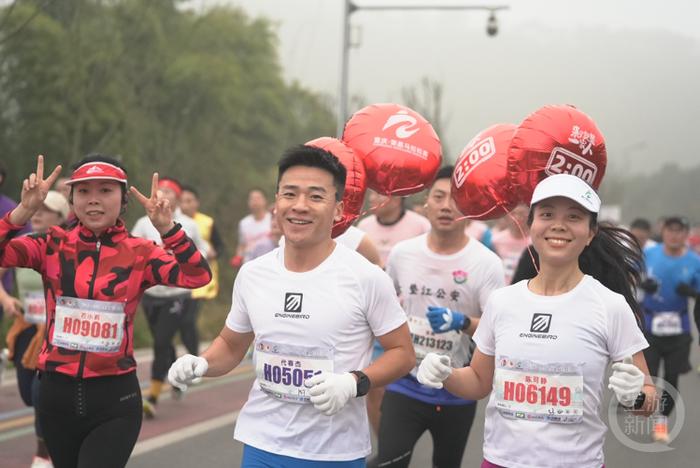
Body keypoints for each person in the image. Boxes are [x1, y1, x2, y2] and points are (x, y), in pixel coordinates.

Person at [168, 145, 414, 467]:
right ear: (276, 203)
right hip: (261, 444)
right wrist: (201, 363)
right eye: (290, 194)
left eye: (315, 196)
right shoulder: (254, 274)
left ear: (338, 209)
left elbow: (403, 353)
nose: (300, 206)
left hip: (333, 452)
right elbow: (231, 344)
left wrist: (354, 382)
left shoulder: (365, 277)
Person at [417, 174, 656, 468]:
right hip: (501, 461)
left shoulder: (610, 306)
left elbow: (649, 398)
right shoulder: (503, 302)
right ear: (530, 226)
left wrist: (636, 397)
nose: (558, 224)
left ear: (591, 232)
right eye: (547, 214)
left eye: (573, 216)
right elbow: (479, 381)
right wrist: (446, 374)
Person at [0, 155, 211, 468]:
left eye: (105, 191)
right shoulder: (52, 245)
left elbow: (197, 276)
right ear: (72, 199)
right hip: (56, 397)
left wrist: (168, 228)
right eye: (84, 192)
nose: (94, 200)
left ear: (123, 199)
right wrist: (24, 210)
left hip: (115, 399)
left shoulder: (141, 252)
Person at [374, 166, 505, 468]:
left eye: (457, 199)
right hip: (404, 383)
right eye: (439, 197)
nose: (447, 206)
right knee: (388, 462)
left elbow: (498, 329)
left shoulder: (487, 264)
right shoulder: (402, 254)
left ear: (470, 208)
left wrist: (461, 323)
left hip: (457, 388)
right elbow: (384, 305)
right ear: (425, 203)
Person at [0, 190, 69, 468]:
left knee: (42, 392)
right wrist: (5, 299)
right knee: (30, 394)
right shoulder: (21, 244)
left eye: (46, 208)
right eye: (36, 207)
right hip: (28, 325)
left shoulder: (69, 246)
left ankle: (43, 451)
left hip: (60, 331)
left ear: (62, 216)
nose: (38, 212)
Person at [131, 177, 209, 416]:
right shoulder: (143, 223)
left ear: (176, 197)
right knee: (163, 343)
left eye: (169, 191)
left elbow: (200, 252)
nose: (164, 193)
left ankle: (152, 397)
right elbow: (131, 249)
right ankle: (176, 378)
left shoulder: (188, 224)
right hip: (152, 293)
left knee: (161, 342)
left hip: (178, 293)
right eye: (160, 189)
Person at [639, 215, 700, 442]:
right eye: (670, 230)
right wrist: (642, 285)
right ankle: (644, 405)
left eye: (679, 231)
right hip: (650, 326)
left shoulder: (695, 261)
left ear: (685, 234)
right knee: (650, 376)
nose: (674, 235)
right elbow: (631, 278)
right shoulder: (648, 255)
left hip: (679, 328)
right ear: (663, 232)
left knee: (671, 377)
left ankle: (662, 421)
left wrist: (693, 293)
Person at [179, 185, 226, 356]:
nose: (185, 205)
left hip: (201, 279)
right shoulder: (169, 221)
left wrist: (214, 253)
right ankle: (184, 356)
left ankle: (194, 356)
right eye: (182, 201)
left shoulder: (207, 222)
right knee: (181, 323)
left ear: (197, 203)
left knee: (188, 320)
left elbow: (220, 247)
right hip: (177, 280)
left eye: (189, 201)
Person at [358, 191, 431, 266]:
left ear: (397, 199)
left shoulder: (421, 225)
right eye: (371, 193)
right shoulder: (364, 226)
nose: (371, 198)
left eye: (379, 194)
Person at [231, 188, 271, 268]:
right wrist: (238, 257)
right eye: (252, 199)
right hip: (249, 265)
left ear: (265, 201)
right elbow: (242, 245)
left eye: (258, 198)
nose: (255, 201)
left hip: (269, 264)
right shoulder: (244, 223)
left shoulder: (272, 220)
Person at [491, 204, 530, 284]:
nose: (517, 218)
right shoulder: (496, 240)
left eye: (522, 214)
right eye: (513, 214)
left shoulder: (535, 242)